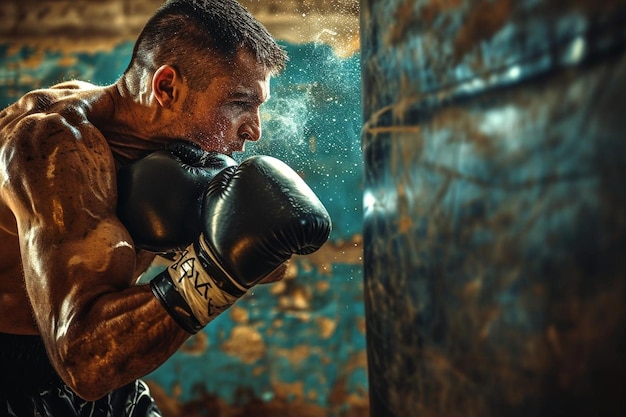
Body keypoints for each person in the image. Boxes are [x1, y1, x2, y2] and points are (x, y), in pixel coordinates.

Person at [0, 0, 305, 415]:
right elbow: (84, 363)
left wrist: (242, 234)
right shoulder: (55, 148)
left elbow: (266, 262)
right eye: (238, 103)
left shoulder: (163, 153)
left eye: (258, 106)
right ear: (166, 88)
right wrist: (218, 270)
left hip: (107, 367)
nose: (254, 130)